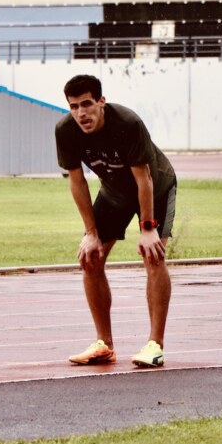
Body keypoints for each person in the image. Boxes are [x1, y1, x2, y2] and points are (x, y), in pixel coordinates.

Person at [54, 74, 177, 368]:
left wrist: (148, 229)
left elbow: (144, 178)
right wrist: (90, 232)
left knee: (153, 256)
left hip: (155, 188)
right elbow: (77, 182)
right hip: (114, 194)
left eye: (87, 104)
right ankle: (104, 344)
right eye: (74, 106)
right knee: (91, 258)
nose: (81, 113)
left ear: (101, 102)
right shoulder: (66, 130)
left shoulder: (127, 123)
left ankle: (154, 345)